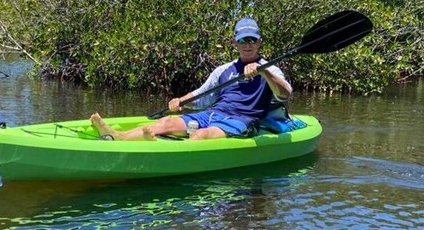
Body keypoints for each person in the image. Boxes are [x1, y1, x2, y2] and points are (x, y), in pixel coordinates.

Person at [90, 17, 293, 141]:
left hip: (242, 121)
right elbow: (202, 95)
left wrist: (263, 72)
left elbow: (285, 94)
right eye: (242, 40)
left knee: (201, 135)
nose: (247, 45)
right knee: (166, 121)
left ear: (259, 42)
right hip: (213, 114)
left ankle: (163, 153)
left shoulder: (271, 69)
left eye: (252, 40)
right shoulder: (224, 70)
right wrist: (180, 101)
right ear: (234, 43)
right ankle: (118, 136)